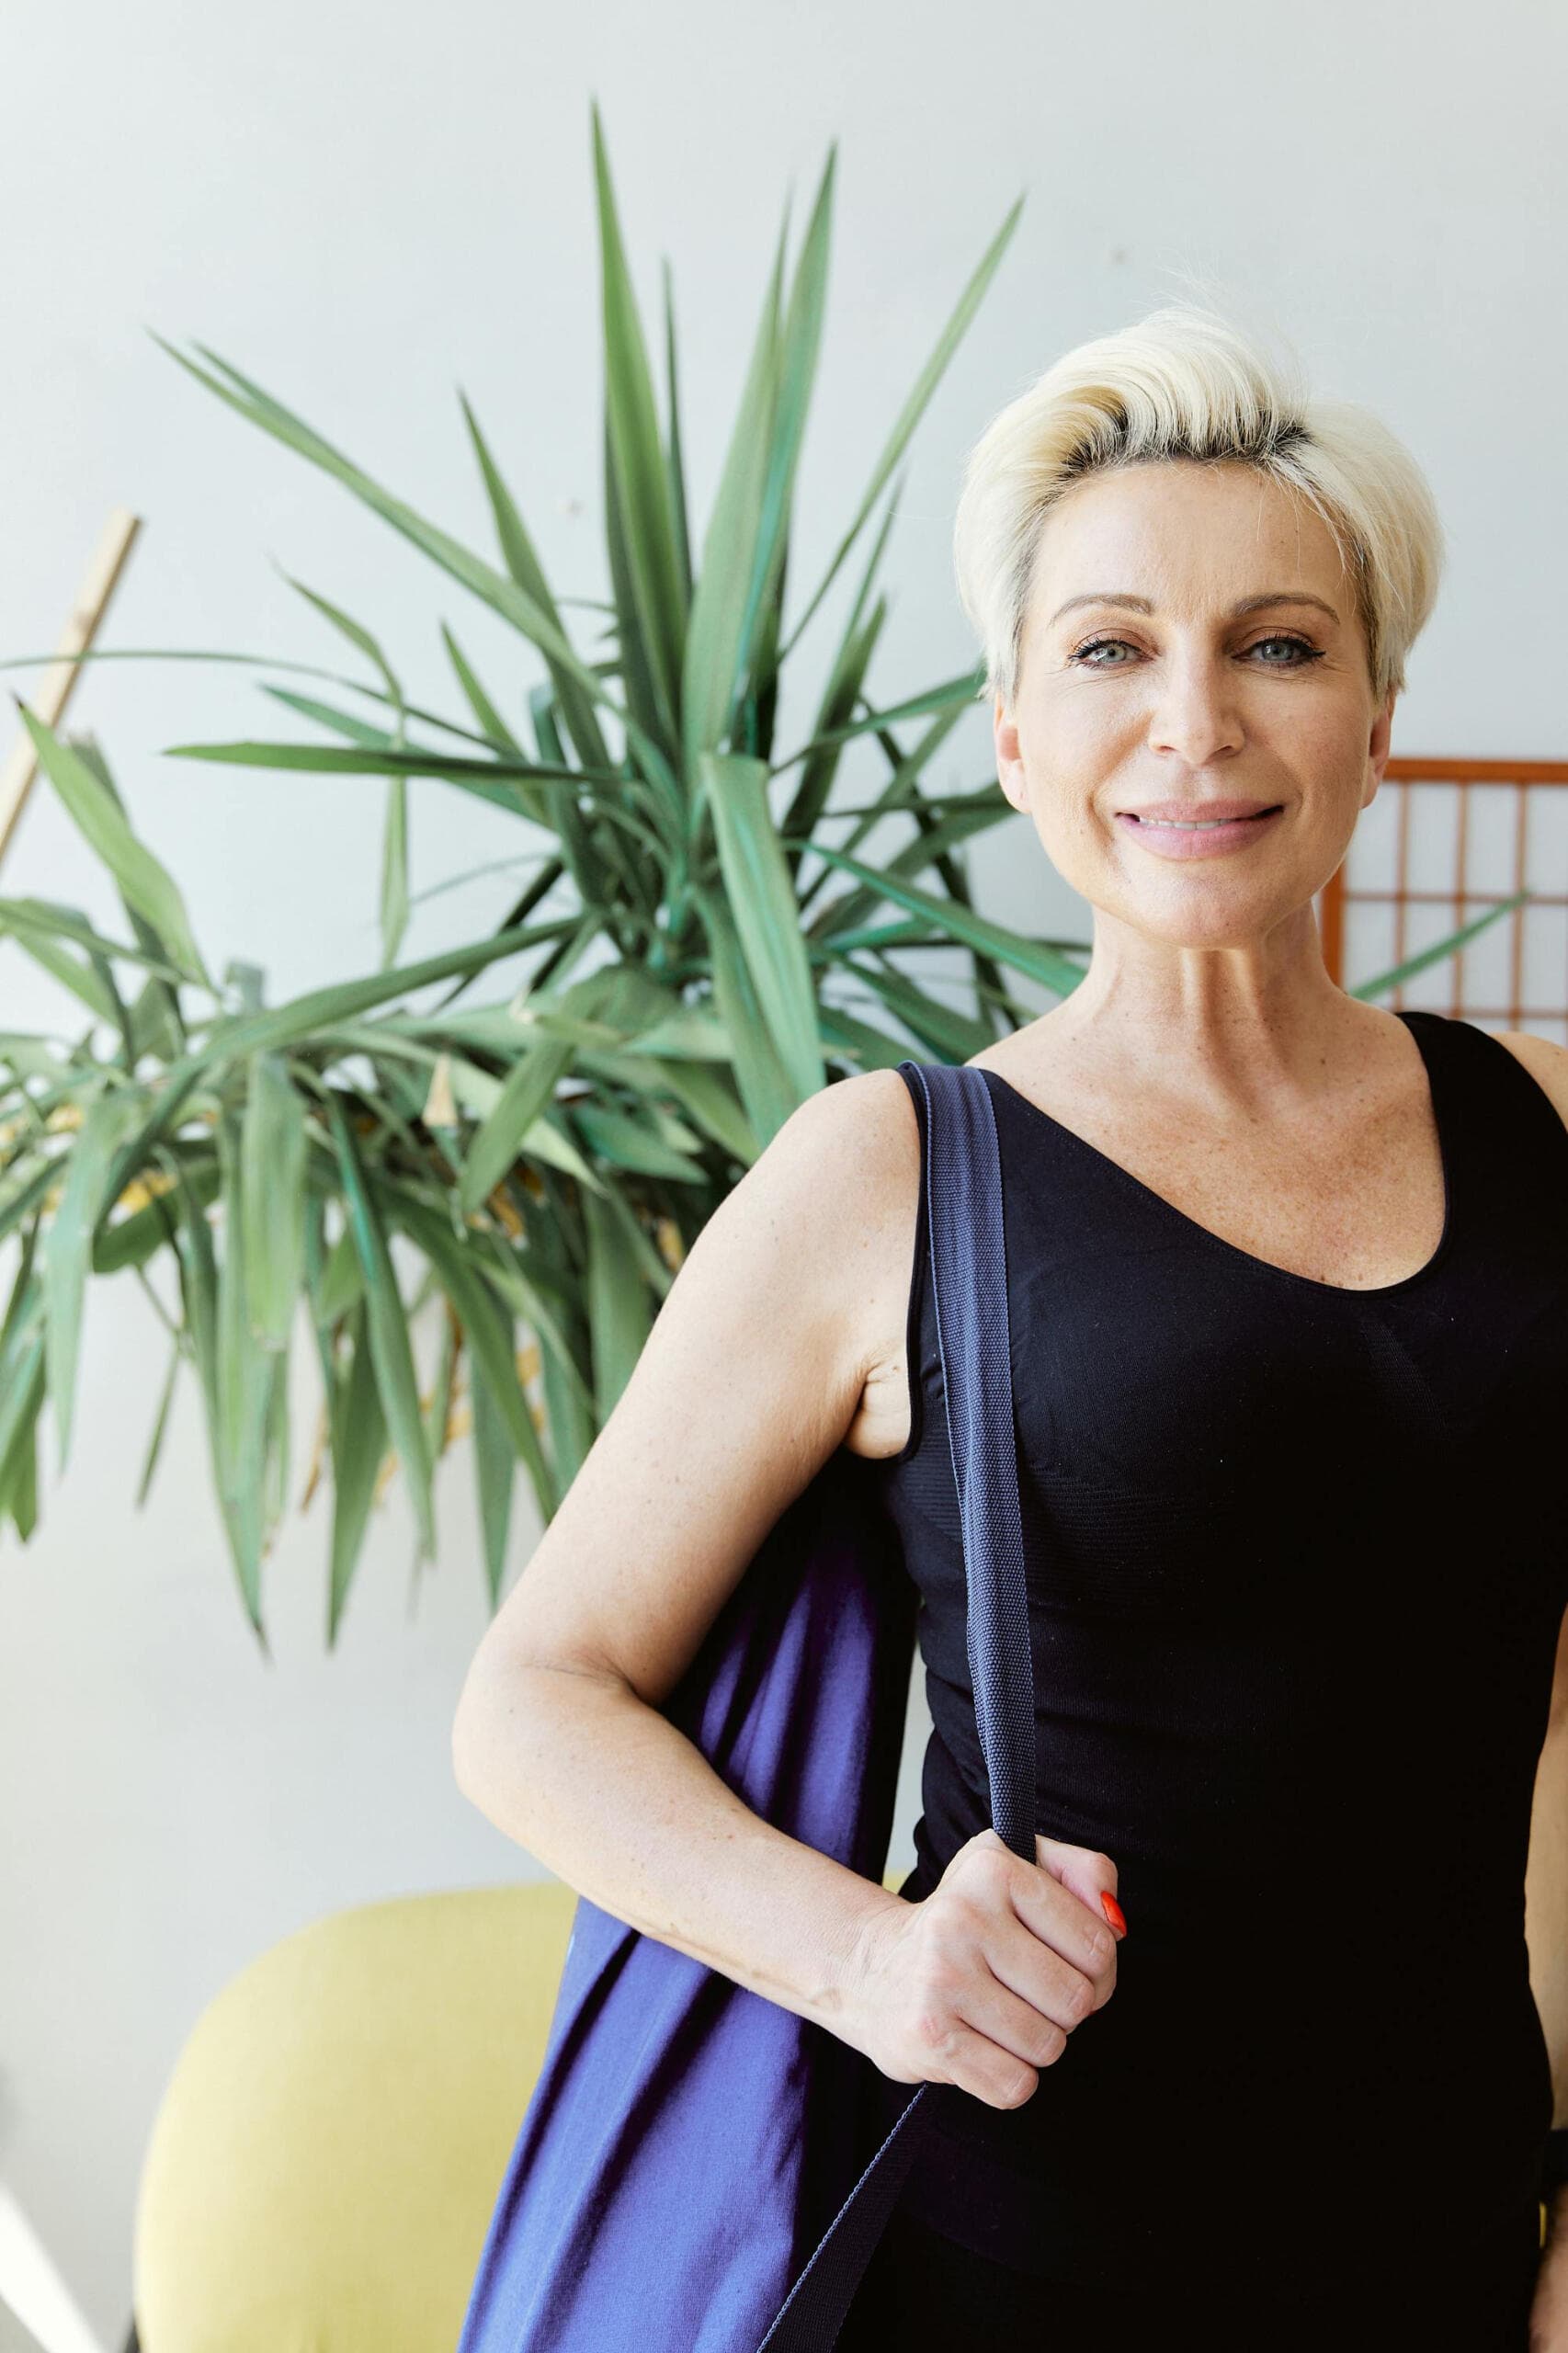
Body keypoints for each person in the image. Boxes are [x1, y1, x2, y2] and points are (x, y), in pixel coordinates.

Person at [450, 301, 1568, 2350]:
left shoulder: (1539, 1122)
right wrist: (871, 1964)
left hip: (1456, 2254)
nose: (1196, 724)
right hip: (1021, 2270)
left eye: (1279, 644)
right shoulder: (891, 1173)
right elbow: (532, 1696)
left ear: (1379, 711)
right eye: (1112, 648)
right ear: (1016, 735)